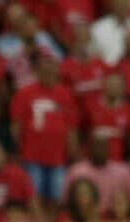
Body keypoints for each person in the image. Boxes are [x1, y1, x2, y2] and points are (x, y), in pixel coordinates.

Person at [10, 53, 79, 206]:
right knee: (34, 196)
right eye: (44, 69)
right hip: (31, 156)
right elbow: (16, 126)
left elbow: (71, 127)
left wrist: (72, 153)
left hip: (58, 156)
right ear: (37, 71)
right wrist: (16, 151)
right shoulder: (24, 93)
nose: (48, 72)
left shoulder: (65, 94)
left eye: (51, 68)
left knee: (57, 198)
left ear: (57, 71)